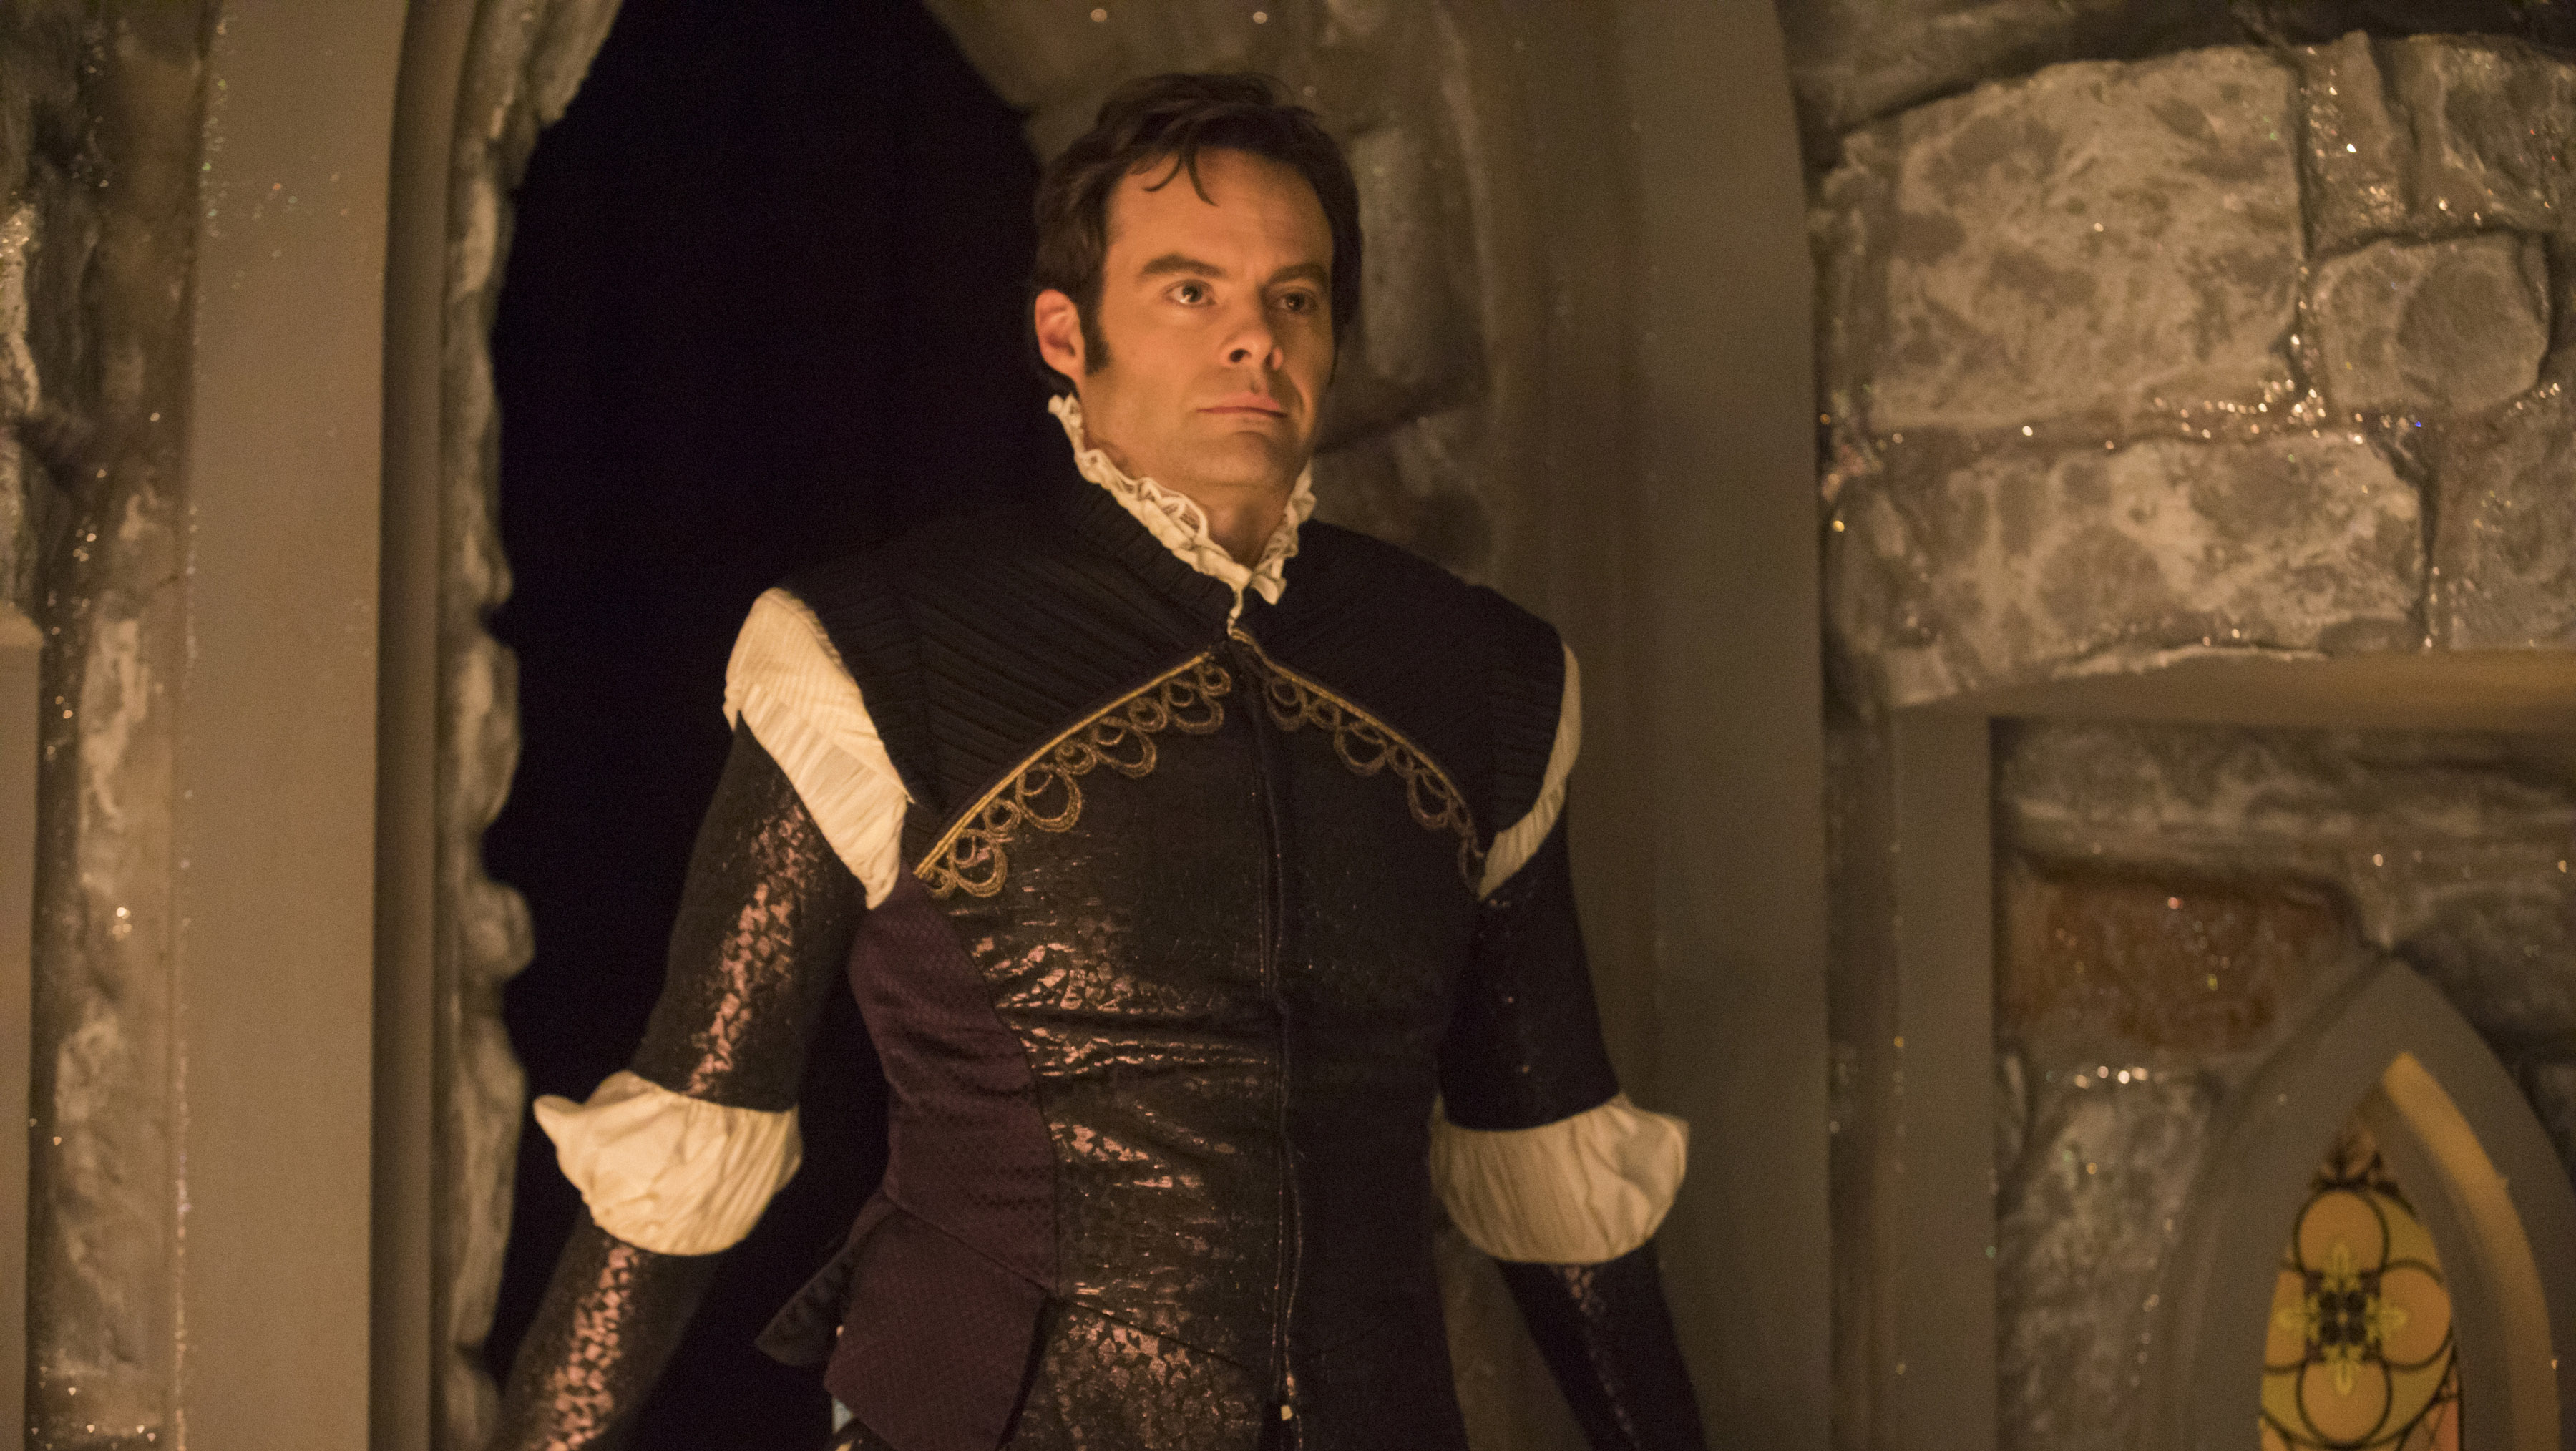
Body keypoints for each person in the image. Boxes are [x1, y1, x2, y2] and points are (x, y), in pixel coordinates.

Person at [492, 72, 1707, 1451]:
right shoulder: (882, 649)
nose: (1253, 338)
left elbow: (1550, 1160)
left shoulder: (1481, 677)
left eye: (1295, 298)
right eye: (1191, 291)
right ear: (1067, 334)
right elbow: (692, 1141)